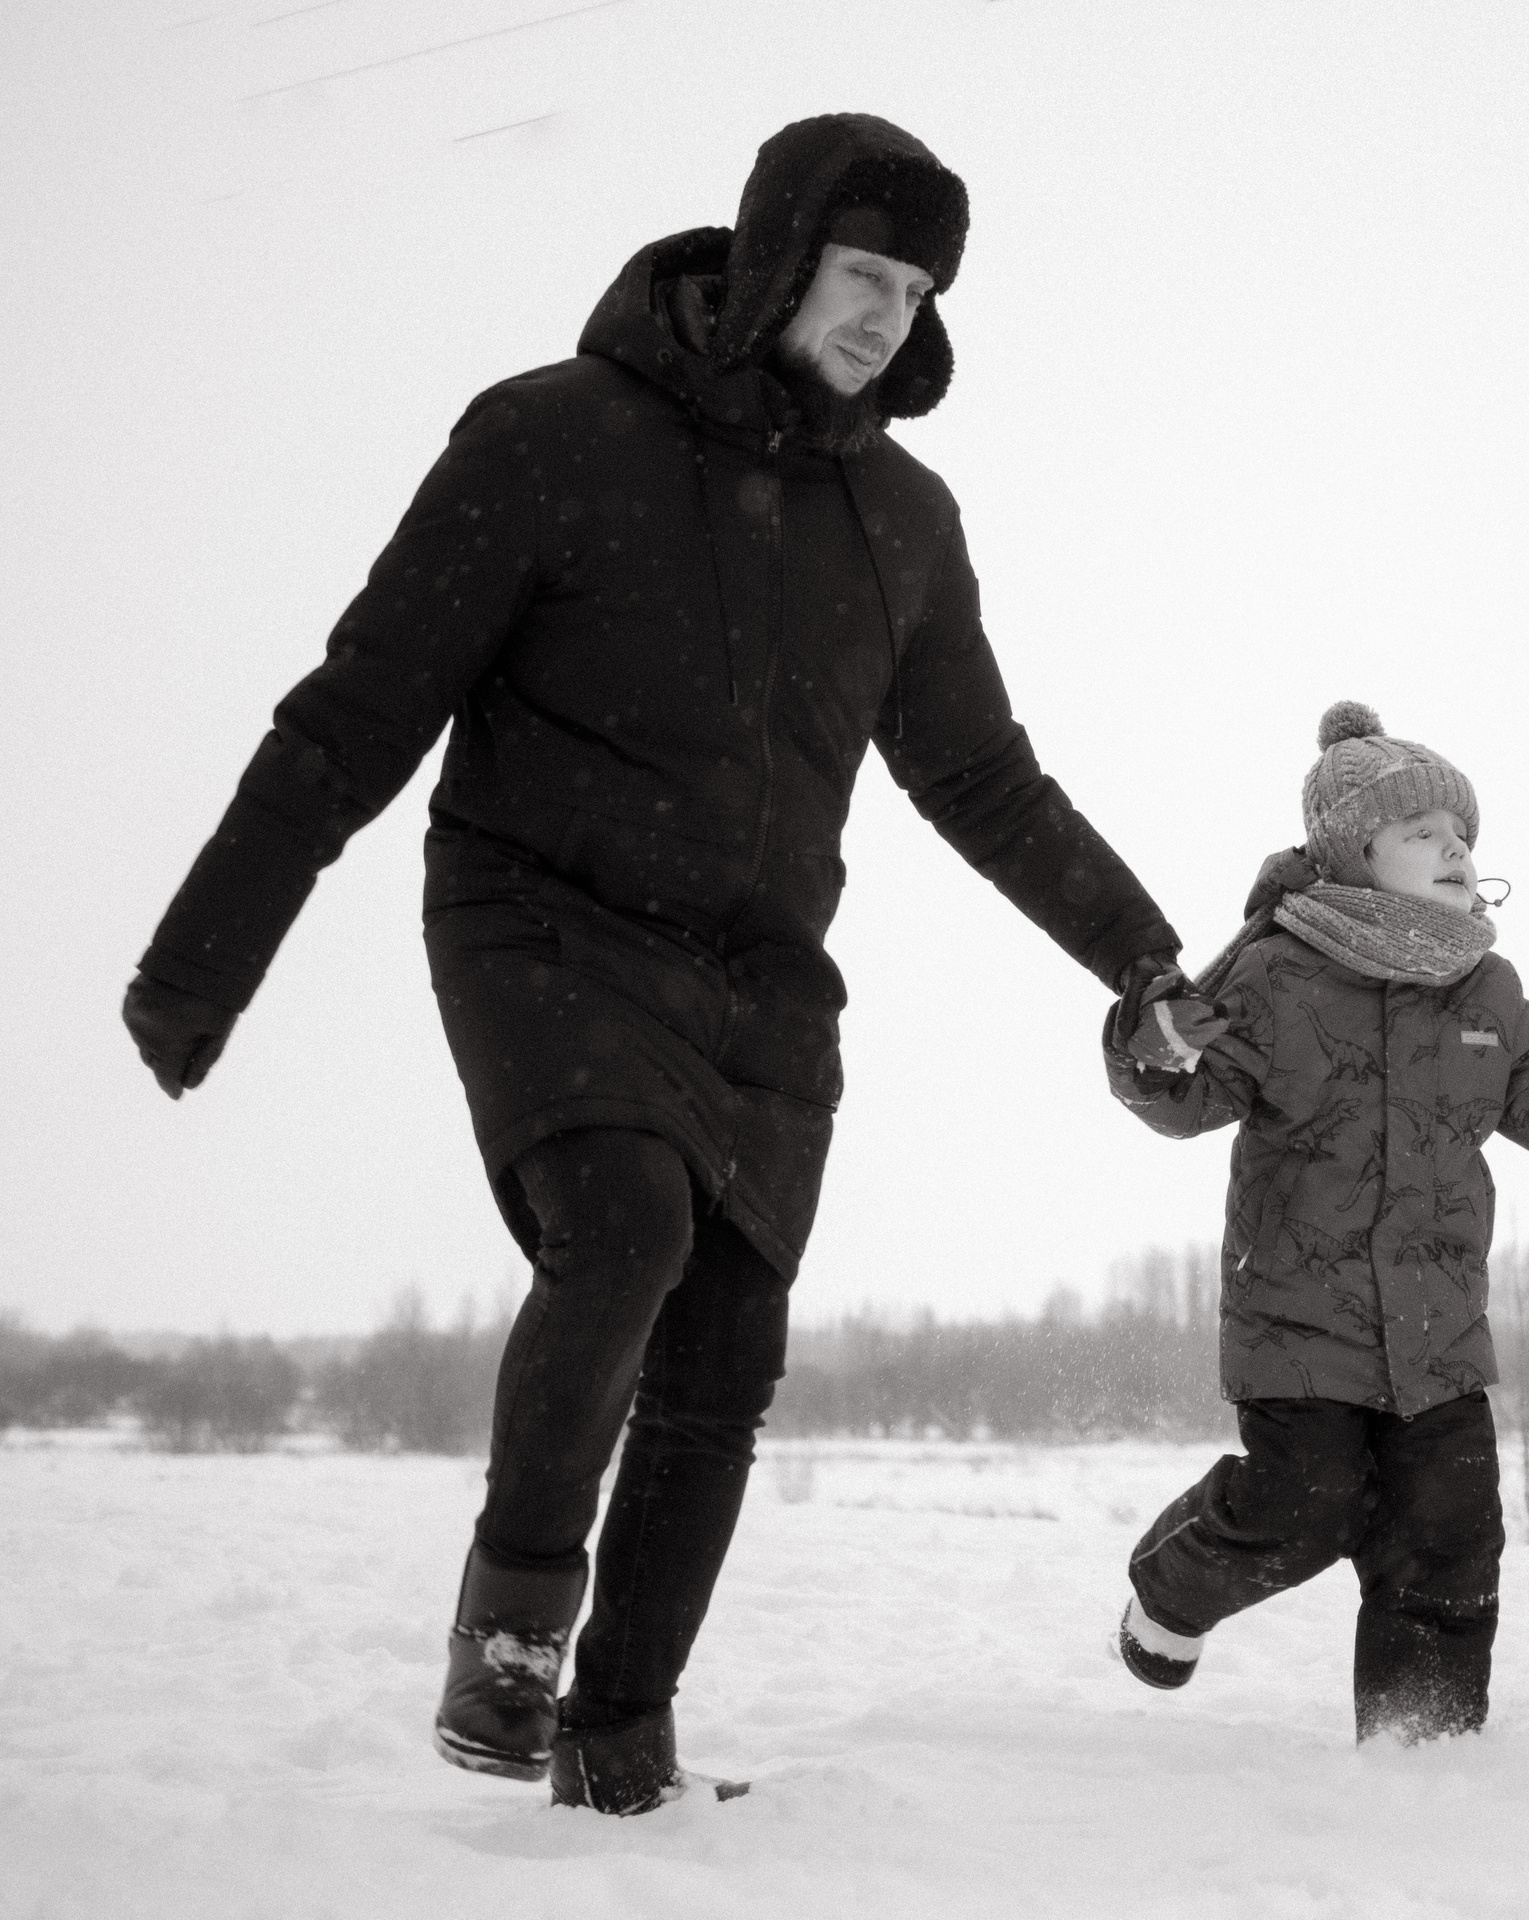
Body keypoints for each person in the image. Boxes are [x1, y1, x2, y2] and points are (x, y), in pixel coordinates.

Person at [120, 114, 1184, 1813]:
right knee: (623, 1222)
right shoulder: (551, 437)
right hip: (539, 913)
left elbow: (981, 778)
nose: (887, 317)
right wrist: (204, 960)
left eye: (914, 290)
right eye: (861, 275)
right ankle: (516, 1634)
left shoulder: (902, 521)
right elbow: (362, 710)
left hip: (764, 978)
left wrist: (1140, 957)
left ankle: (620, 1732)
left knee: (725, 1354)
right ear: (772, 260)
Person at [1102, 702, 1529, 1742]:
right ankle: (1173, 1588)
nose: (1454, 849)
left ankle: (1418, 1757)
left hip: (1437, 1339)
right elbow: (1181, 1101)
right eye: (1422, 832)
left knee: (1450, 1536)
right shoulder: (1273, 970)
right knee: (1304, 1505)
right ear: (1353, 854)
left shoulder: (1485, 987)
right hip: (1298, 1326)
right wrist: (1149, 1047)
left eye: (1461, 833)